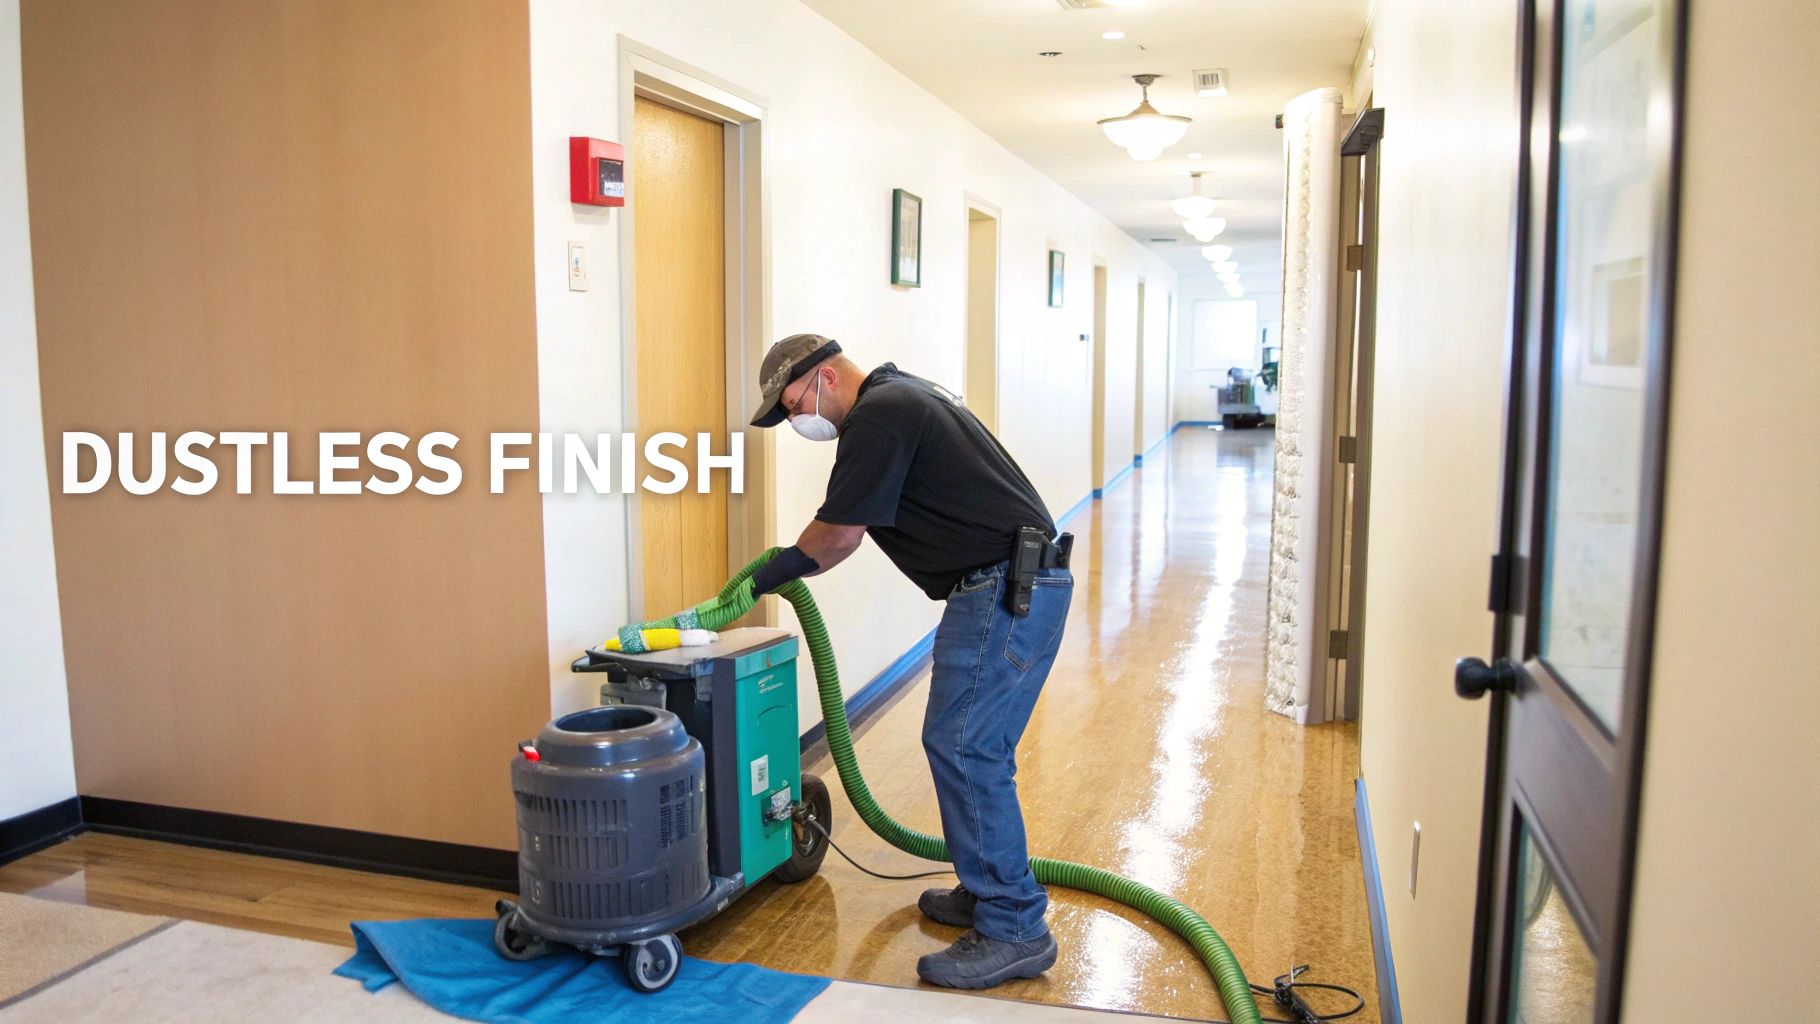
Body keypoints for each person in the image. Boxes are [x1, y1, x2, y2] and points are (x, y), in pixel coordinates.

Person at [745, 333, 1074, 990]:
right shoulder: (902, 397)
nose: (797, 421)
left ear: (824, 378)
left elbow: (839, 534)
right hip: (1014, 584)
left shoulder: (879, 415)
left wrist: (767, 574)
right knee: (971, 745)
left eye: (793, 406)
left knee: (965, 746)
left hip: (1005, 587)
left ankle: (1015, 925)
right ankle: (987, 891)